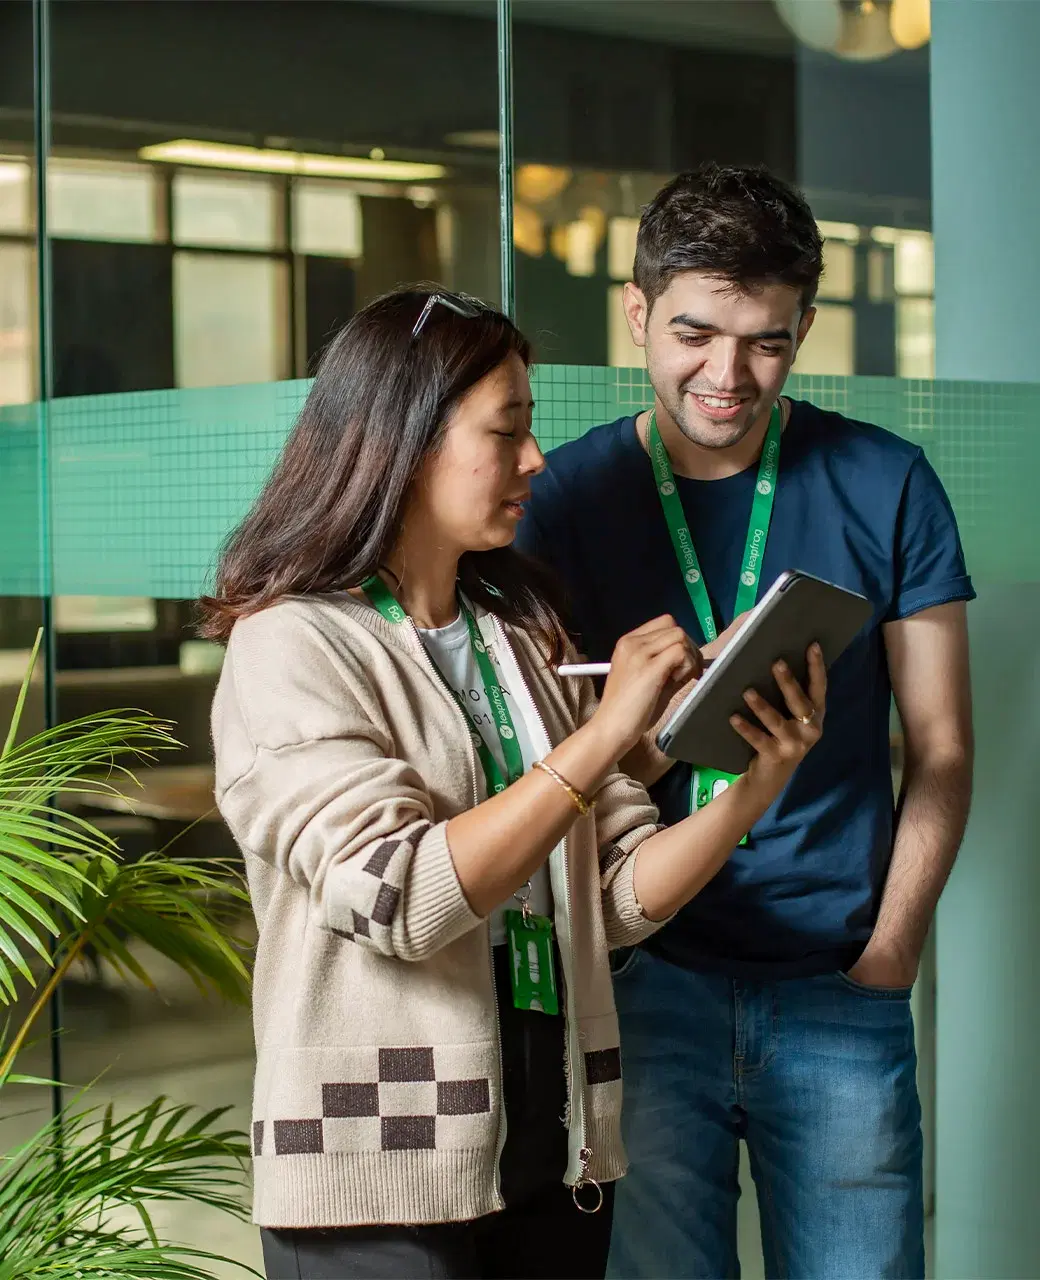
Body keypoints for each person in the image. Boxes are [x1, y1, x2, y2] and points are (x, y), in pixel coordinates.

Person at [199, 286, 826, 1280]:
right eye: (508, 430)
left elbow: (615, 898)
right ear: (401, 443)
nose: (535, 459)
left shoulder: (517, 637)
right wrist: (605, 734)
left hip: (553, 1137)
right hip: (380, 1174)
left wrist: (751, 784)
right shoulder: (293, 645)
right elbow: (399, 896)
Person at [515, 164, 975, 1280]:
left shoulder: (885, 480)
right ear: (635, 312)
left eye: (765, 341)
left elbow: (943, 747)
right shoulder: (557, 500)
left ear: (803, 327)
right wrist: (646, 713)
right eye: (692, 332)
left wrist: (889, 949)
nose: (726, 374)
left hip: (837, 983)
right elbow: (541, 766)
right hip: (641, 981)